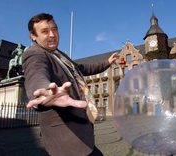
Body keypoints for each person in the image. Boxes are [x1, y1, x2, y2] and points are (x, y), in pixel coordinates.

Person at [22, 13, 118, 156]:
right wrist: (44, 90)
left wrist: (107, 63)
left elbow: (82, 68)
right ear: (33, 35)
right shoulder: (34, 54)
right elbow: (36, 74)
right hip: (65, 138)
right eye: (45, 31)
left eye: (55, 29)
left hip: (81, 133)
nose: (52, 34)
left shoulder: (60, 55)